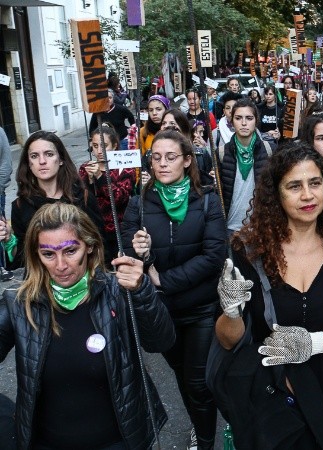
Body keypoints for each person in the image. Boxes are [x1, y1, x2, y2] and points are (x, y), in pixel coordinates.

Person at [214, 142, 323, 445]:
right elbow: (228, 339)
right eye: (294, 186)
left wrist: (315, 342)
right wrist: (231, 312)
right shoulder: (249, 251)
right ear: (276, 194)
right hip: (269, 388)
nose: (308, 195)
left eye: (315, 183)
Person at [0, 202, 174, 449]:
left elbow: (161, 341)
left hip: (117, 442)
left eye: (70, 251)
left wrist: (142, 291)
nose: (60, 265)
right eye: (48, 254)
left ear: (90, 246)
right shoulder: (19, 303)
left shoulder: (117, 291)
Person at [121, 130, 226, 450]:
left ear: (187, 161)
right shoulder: (139, 204)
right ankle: (199, 424)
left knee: (198, 382)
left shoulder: (207, 199)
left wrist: (163, 280)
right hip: (161, 312)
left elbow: (214, 256)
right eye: (156, 158)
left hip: (201, 309)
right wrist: (141, 253)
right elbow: (126, 253)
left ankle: (205, 442)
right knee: (182, 375)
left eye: (170, 157)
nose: (163, 164)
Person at [1, 131, 105, 270]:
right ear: (29, 163)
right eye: (34, 156)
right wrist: (9, 240)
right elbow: (23, 260)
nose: (42, 161)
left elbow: (99, 245)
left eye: (49, 154)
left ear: (61, 159)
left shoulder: (83, 197)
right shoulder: (21, 205)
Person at [78, 126, 136, 265]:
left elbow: (119, 198)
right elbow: (81, 199)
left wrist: (100, 177)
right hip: (93, 230)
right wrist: (89, 181)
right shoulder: (86, 168)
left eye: (104, 146)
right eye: (95, 146)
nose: (99, 151)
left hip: (118, 232)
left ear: (114, 145)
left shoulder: (125, 168)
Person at [221, 98, 271, 235]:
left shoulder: (269, 150)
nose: (244, 123)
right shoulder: (221, 153)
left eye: (249, 118)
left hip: (260, 228)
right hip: (230, 228)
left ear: (256, 121)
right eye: (238, 118)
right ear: (232, 121)